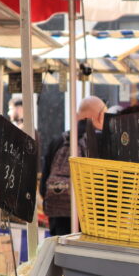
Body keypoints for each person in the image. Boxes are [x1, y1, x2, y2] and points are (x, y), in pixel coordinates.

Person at [41, 96, 106, 237]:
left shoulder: (58, 141)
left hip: (58, 223)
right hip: (91, 223)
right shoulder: (103, 142)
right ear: (101, 115)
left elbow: (43, 187)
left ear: (77, 115)